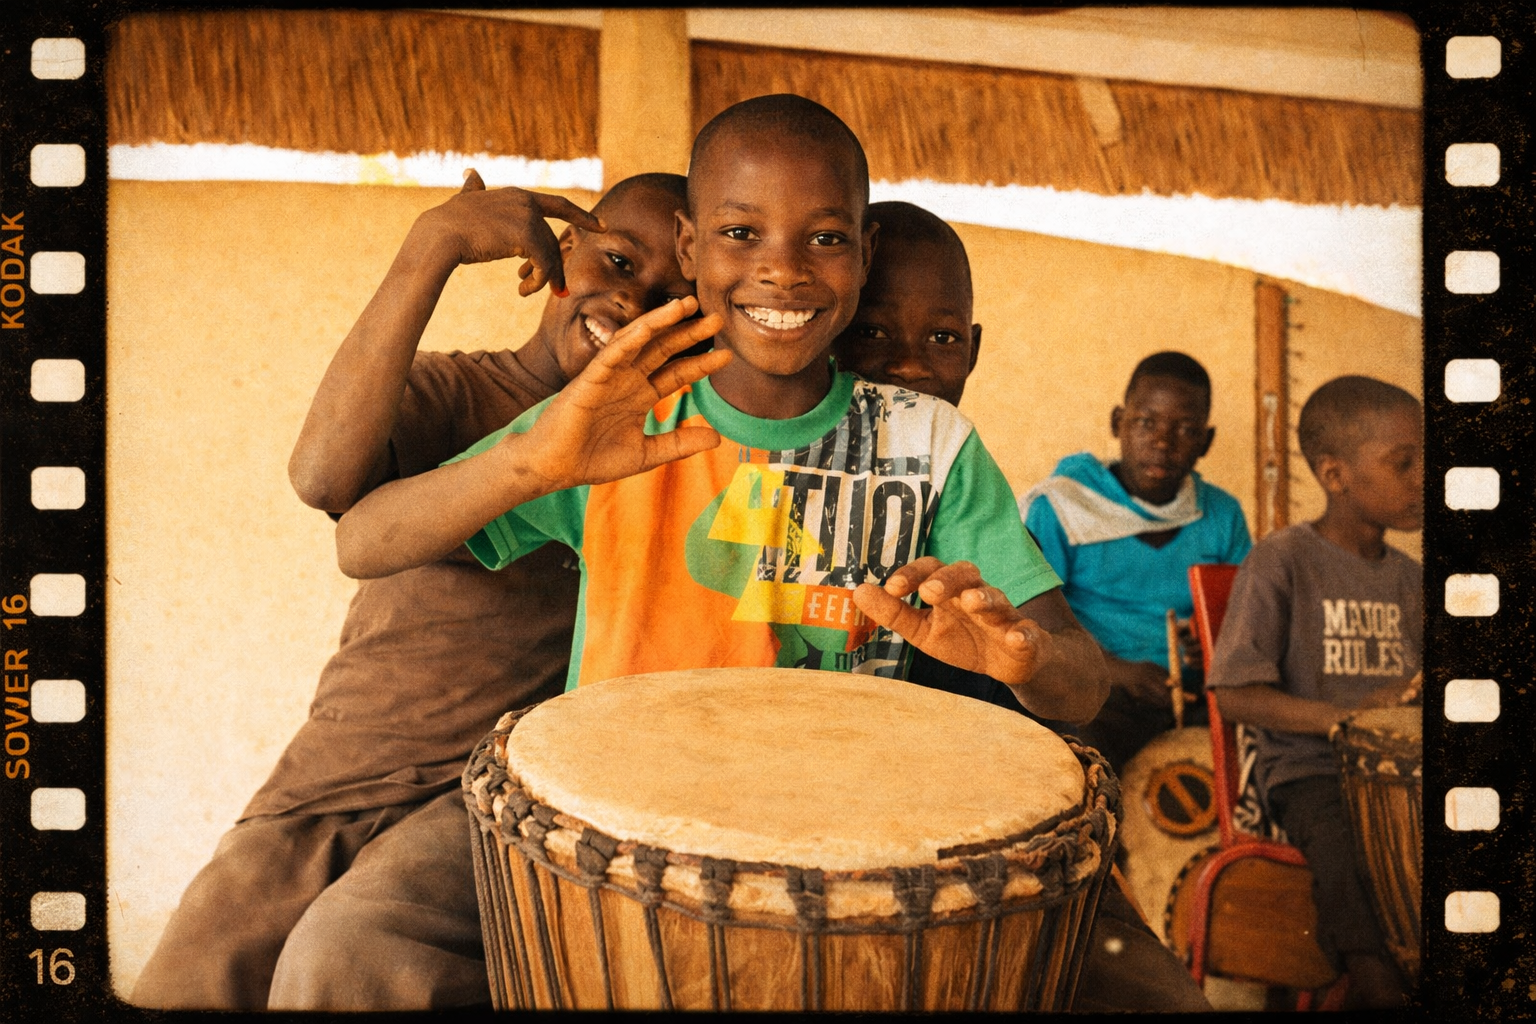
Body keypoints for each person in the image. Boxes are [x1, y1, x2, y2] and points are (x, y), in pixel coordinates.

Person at [336, 94, 1110, 727]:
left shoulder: (932, 444)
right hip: (619, 840)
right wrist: (531, 462)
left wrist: (1026, 660)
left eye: (826, 238)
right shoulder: (620, 412)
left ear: (865, 255)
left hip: (835, 846)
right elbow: (363, 542)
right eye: (741, 233)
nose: (781, 269)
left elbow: (1083, 682)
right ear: (689, 246)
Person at [132, 170, 696, 1010]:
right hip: (336, 779)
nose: (633, 302)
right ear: (562, 249)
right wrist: (430, 246)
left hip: (487, 799)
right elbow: (324, 478)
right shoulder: (457, 392)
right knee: (197, 969)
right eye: (617, 261)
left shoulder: (675, 448)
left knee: (349, 962)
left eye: (672, 300)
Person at [835, 199, 1210, 1014]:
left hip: (981, 827)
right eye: (870, 334)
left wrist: (1029, 657)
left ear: (973, 349)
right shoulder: (768, 457)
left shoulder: (968, 483)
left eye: (941, 339)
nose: (909, 365)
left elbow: (1074, 684)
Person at [1207, 375, 1422, 1009]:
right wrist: (1347, 720)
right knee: (1344, 844)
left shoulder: (1412, 580)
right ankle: (1374, 981)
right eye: (1403, 464)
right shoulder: (1282, 560)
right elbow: (1236, 696)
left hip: (1399, 778)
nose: (1421, 479)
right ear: (1335, 475)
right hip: (1308, 772)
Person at [1020, 352, 1252, 773]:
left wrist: (1215, 647)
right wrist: (1121, 672)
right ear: (1117, 423)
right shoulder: (1062, 507)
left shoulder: (1222, 514)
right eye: (1146, 422)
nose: (1163, 442)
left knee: (1257, 746)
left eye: (1185, 430)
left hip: (1197, 694)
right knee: (1077, 758)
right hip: (1099, 690)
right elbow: (1033, 625)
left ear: (1206, 440)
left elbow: (1241, 619)